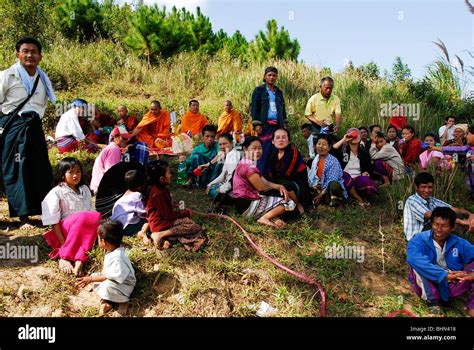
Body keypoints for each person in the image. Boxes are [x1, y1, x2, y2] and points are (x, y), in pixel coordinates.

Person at [0, 37, 55, 230]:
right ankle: (23, 217)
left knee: (40, 169)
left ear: (40, 56)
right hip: (14, 126)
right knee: (18, 168)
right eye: (25, 51)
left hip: (34, 127)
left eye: (34, 51)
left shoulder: (42, 78)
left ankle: (41, 213)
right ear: (18, 55)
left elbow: (41, 106)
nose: (30, 55)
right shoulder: (8, 75)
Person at [407, 207, 474, 316]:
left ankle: (471, 307)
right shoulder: (419, 239)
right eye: (435, 224)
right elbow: (412, 258)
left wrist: (472, 272)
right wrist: (444, 274)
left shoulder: (459, 242)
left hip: (452, 283)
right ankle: (432, 301)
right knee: (417, 266)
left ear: (452, 227)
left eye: (444, 226)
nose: (438, 229)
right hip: (429, 282)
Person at [41, 157, 101, 276]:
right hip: (66, 229)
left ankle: (80, 259)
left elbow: (91, 213)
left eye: (78, 171)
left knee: (96, 215)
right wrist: (64, 245)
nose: (75, 175)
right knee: (83, 217)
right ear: (63, 174)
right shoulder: (57, 191)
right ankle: (65, 256)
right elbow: (54, 222)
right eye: (71, 172)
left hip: (83, 227)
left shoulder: (84, 189)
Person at [142, 160, 207, 251]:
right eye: (168, 173)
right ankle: (161, 234)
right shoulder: (159, 193)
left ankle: (163, 236)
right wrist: (184, 213)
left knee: (188, 221)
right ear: (161, 179)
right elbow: (168, 216)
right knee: (195, 227)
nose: (171, 175)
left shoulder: (157, 189)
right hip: (160, 224)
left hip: (158, 222)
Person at [232, 136, 296, 228]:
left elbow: (264, 181)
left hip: (241, 205)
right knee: (288, 202)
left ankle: (273, 219)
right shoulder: (249, 166)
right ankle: (264, 218)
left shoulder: (245, 162)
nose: (258, 151)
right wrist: (276, 189)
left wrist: (279, 186)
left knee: (274, 199)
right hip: (247, 205)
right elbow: (261, 187)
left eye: (260, 148)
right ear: (245, 149)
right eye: (254, 148)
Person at [76, 220, 136, 316]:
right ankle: (107, 301)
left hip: (124, 285)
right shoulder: (113, 250)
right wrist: (92, 278)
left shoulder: (117, 258)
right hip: (113, 279)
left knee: (105, 286)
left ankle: (123, 301)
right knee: (95, 276)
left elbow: (108, 277)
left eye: (98, 238)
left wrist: (90, 279)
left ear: (103, 241)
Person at [403, 172, 472, 241]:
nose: (426, 190)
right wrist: (459, 221)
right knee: (453, 224)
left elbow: (454, 209)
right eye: (423, 187)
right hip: (417, 237)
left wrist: (471, 215)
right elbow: (430, 215)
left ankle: (456, 247)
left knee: (457, 215)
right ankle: (460, 248)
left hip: (430, 231)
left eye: (429, 187)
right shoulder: (412, 200)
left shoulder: (431, 200)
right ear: (417, 187)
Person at [251, 66, 287, 174]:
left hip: (277, 126)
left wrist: (284, 125)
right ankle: (261, 177)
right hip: (265, 126)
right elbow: (255, 108)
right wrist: (257, 124)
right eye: (269, 75)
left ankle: (272, 177)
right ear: (265, 76)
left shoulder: (279, 92)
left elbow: (283, 109)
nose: (272, 77)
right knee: (264, 152)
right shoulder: (259, 90)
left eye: (274, 75)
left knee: (276, 152)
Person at [266, 128, 310, 213]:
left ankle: (298, 205)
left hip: (296, 184)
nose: (281, 140)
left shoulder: (294, 152)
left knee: (283, 183)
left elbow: (287, 173)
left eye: (284, 137)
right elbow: (271, 173)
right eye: (277, 137)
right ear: (273, 141)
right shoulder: (273, 155)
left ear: (289, 141)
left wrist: (273, 183)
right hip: (280, 183)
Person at [332, 128, 378, 206]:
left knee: (366, 181)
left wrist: (366, 172)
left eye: (357, 133)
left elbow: (369, 168)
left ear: (360, 137)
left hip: (357, 178)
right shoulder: (343, 150)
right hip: (344, 179)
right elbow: (332, 150)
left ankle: (357, 196)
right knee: (343, 174)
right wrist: (344, 139)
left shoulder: (364, 152)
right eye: (351, 133)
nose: (354, 134)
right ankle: (358, 198)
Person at [308, 134, 347, 207]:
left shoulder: (333, 161)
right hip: (319, 187)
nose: (320, 146)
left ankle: (336, 203)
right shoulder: (316, 158)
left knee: (333, 185)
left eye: (324, 144)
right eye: (319, 144)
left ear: (329, 148)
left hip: (329, 189)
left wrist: (320, 195)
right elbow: (313, 176)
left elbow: (332, 180)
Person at [90, 126, 131, 193]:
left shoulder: (112, 147)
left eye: (126, 138)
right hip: (102, 188)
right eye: (123, 138)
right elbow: (111, 173)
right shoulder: (114, 149)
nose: (126, 140)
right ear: (115, 137)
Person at [110, 169, 147, 236]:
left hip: (117, 225)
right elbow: (142, 214)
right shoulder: (137, 196)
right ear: (140, 186)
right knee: (147, 222)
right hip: (128, 225)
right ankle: (140, 233)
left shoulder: (124, 195)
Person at [206, 133, 241, 200]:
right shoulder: (228, 154)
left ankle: (227, 197)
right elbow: (223, 175)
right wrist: (210, 184)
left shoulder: (233, 156)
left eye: (225, 144)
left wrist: (221, 189)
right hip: (231, 185)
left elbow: (232, 178)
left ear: (231, 143)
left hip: (234, 187)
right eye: (220, 144)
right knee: (212, 187)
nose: (222, 147)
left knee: (213, 190)